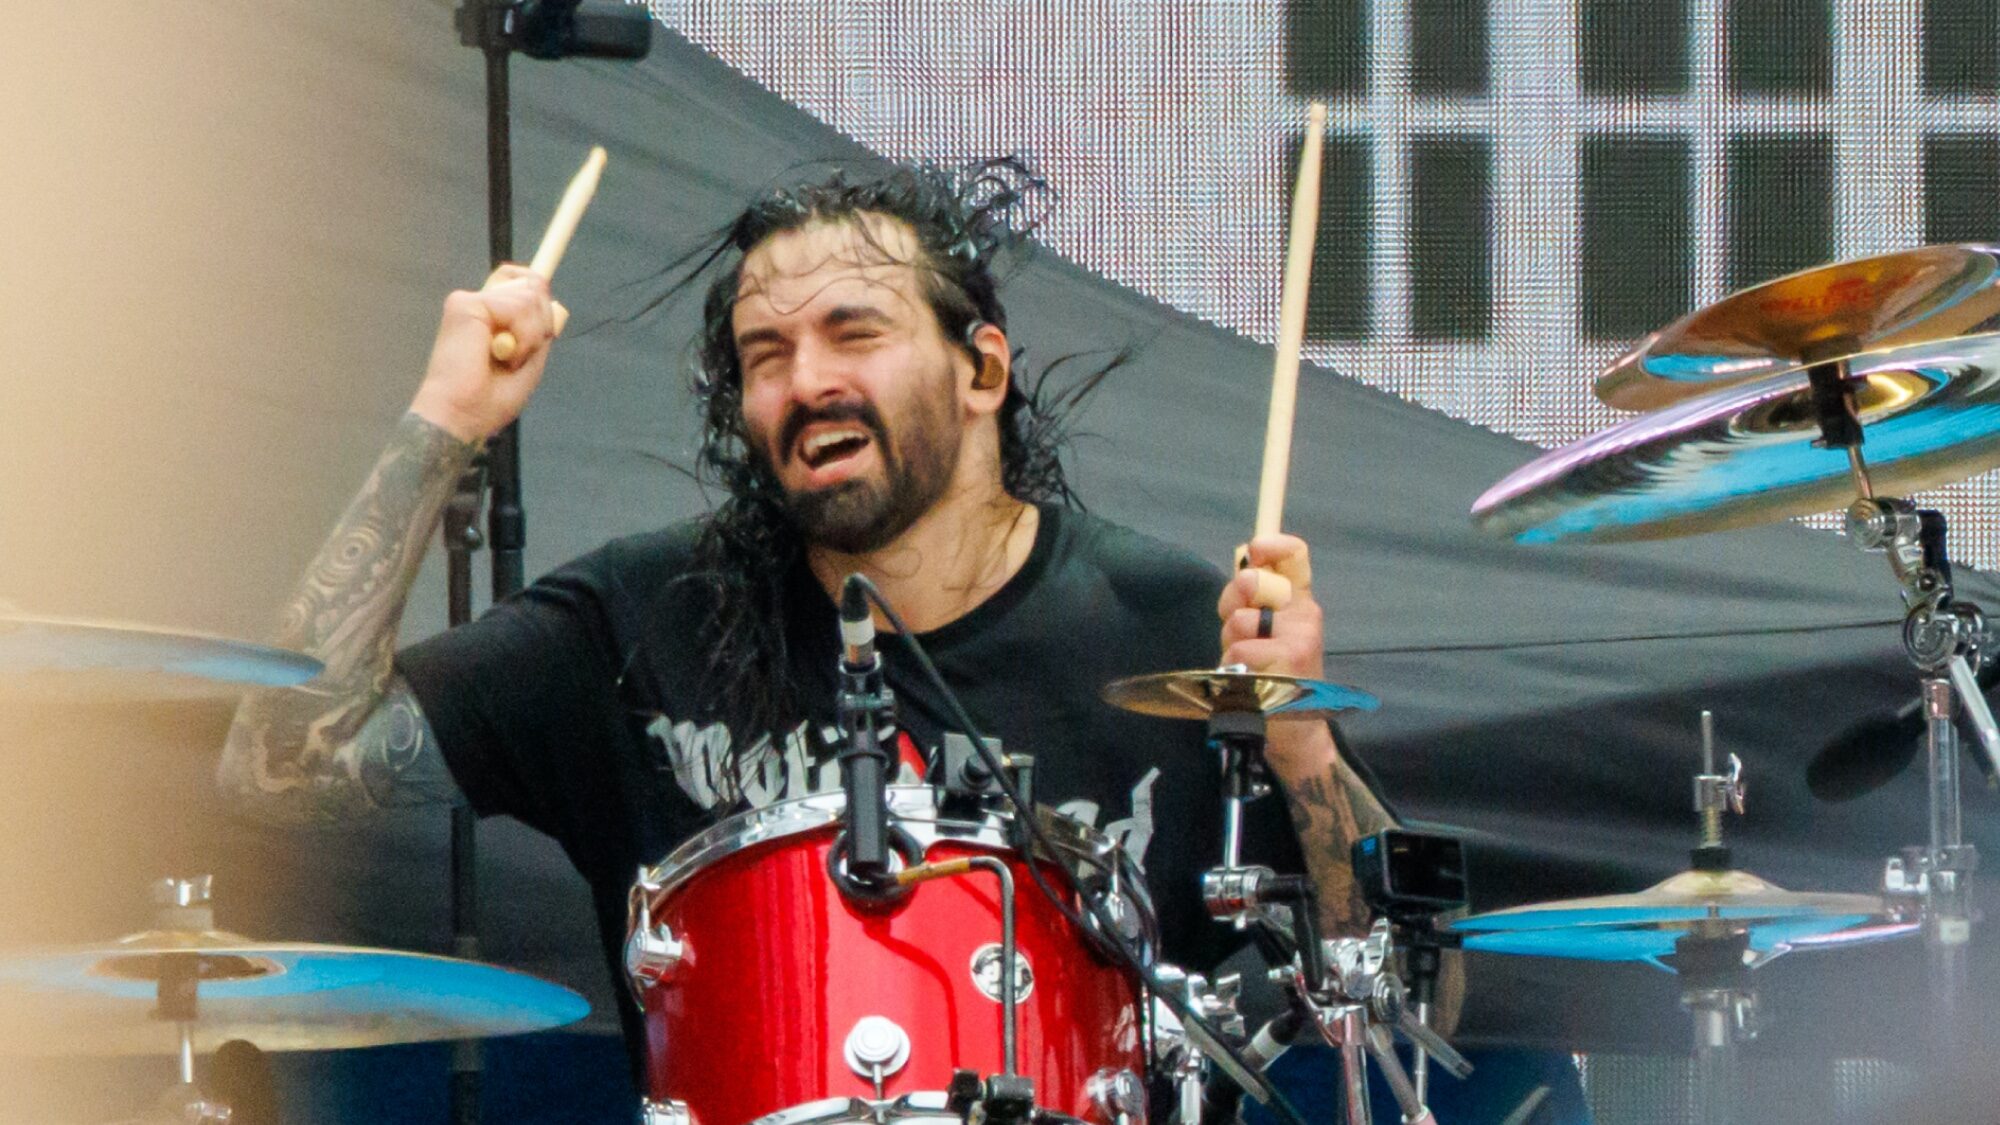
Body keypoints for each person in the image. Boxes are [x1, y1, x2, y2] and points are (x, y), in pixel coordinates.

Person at [216, 160, 1399, 1084]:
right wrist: (444, 421)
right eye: (763, 355)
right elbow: (276, 768)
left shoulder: (1177, 634)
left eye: (854, 333)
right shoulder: (634, 619)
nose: (804, 383)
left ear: (981, 370)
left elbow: (1399, 1000)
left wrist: (1295, 737)